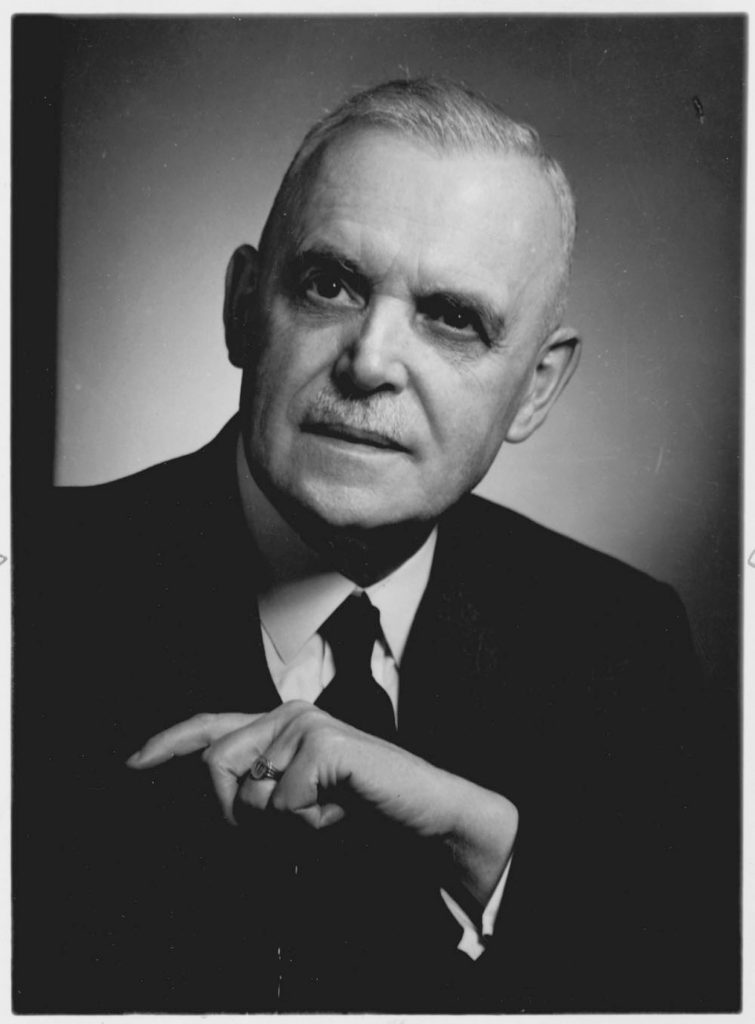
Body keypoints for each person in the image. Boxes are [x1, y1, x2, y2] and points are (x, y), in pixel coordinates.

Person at [13, 77, 738, 1013]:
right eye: (329, 284)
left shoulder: (620, 643)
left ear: (535, 391)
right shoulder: (27, 587)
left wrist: (487, 847)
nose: (368, 361)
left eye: (451, 318)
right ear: (243, 307)